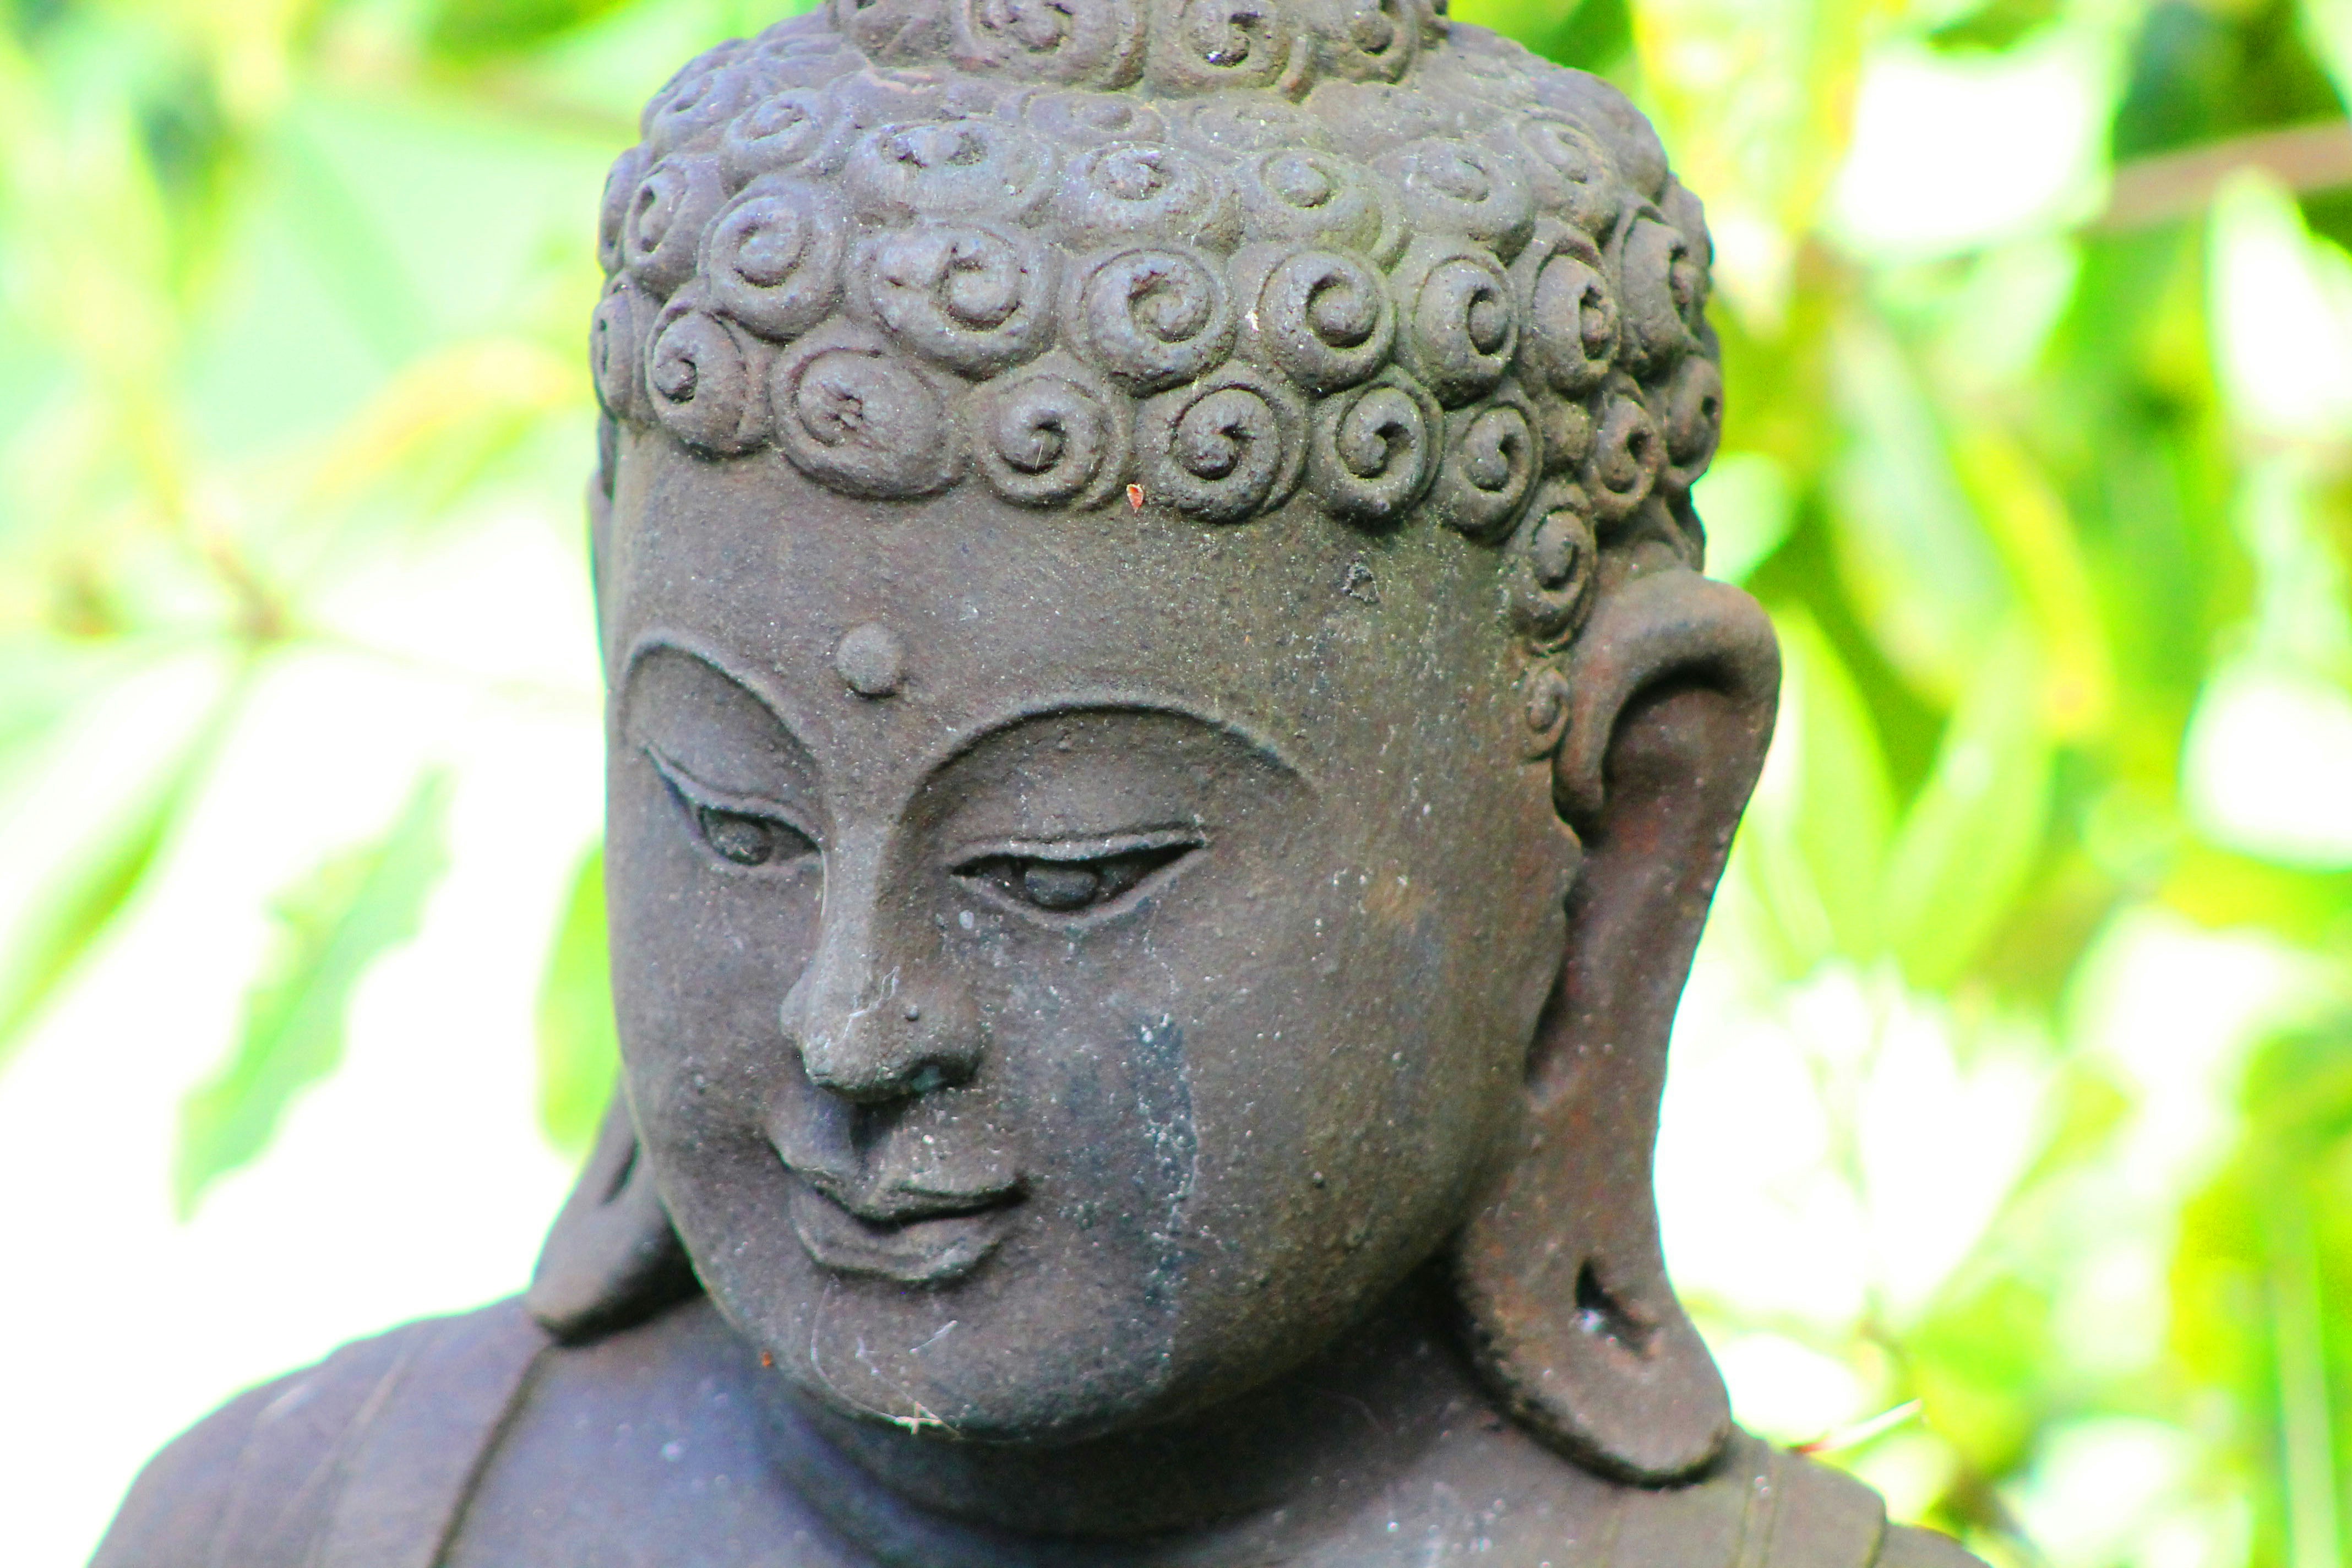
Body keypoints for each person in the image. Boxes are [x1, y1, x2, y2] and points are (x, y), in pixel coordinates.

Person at [94, 2, 1986, 1562]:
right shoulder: (298, 1521)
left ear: (1616, 826)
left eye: (1062, 870)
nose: (851, 1026)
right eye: (732, 819)